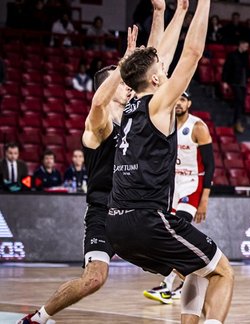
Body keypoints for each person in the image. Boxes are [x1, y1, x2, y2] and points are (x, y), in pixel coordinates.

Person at [18, 1, 177, 320]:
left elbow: (154, 66)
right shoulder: (99, 126)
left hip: (136, 211)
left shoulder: (138, 114)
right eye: (120, 84)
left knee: (189, 269)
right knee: (94, 278)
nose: (127, 87)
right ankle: (39, 317)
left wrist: (159, 13)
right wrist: (122, 67)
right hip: (104, 210)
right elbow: (97, 103)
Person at [109, 0, 234, 322]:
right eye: (161, 73)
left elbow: (152, 58)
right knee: (222, 273)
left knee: (195, 269)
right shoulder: (159, 105)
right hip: (147, 220)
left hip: (117, 225)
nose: (165, 73)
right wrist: (203, 4)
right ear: (153, 81)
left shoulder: (129, 106)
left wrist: (167, 13)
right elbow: (191, 54)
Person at [143, 92, 216, 307]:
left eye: (183, 100)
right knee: (168, 235)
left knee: (178, 230)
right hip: (171, 186)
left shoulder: (198, 127)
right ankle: (171, 283)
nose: (179, 103)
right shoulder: (166, 125)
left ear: (189, 104)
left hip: (192, 186)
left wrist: (204, 200)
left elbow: (210, 166)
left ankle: (172, 284)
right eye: (177, 99)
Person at [222, 39, 250, 133]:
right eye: (245, 46)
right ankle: (236, 122)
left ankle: (236, 122)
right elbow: (226, 68)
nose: (247, 48)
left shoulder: (246, 56)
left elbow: (247, 70)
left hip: (243, 82)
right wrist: (224, 81)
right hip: (234, 81)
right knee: (239, 100)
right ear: (240, 44)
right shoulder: (232, 55)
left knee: (240, 103)